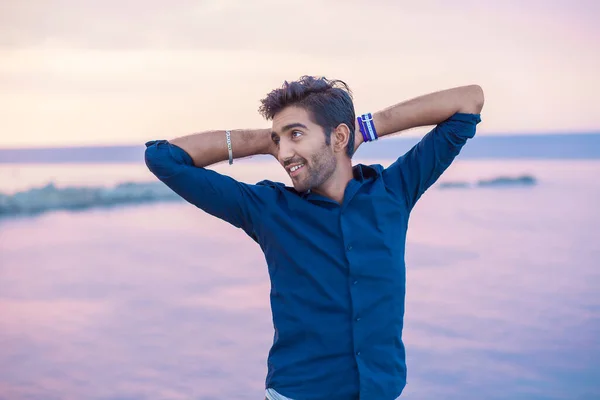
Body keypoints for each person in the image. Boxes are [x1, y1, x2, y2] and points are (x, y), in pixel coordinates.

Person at [144, 76, 484, 400]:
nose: (284, 153)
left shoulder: (394, 190)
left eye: (296, 135)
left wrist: (366, 128)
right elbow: (163, 158)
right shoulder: (267, 210)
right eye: (279, 140)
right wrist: (266, 140)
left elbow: (468, 100)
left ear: (338, 137)